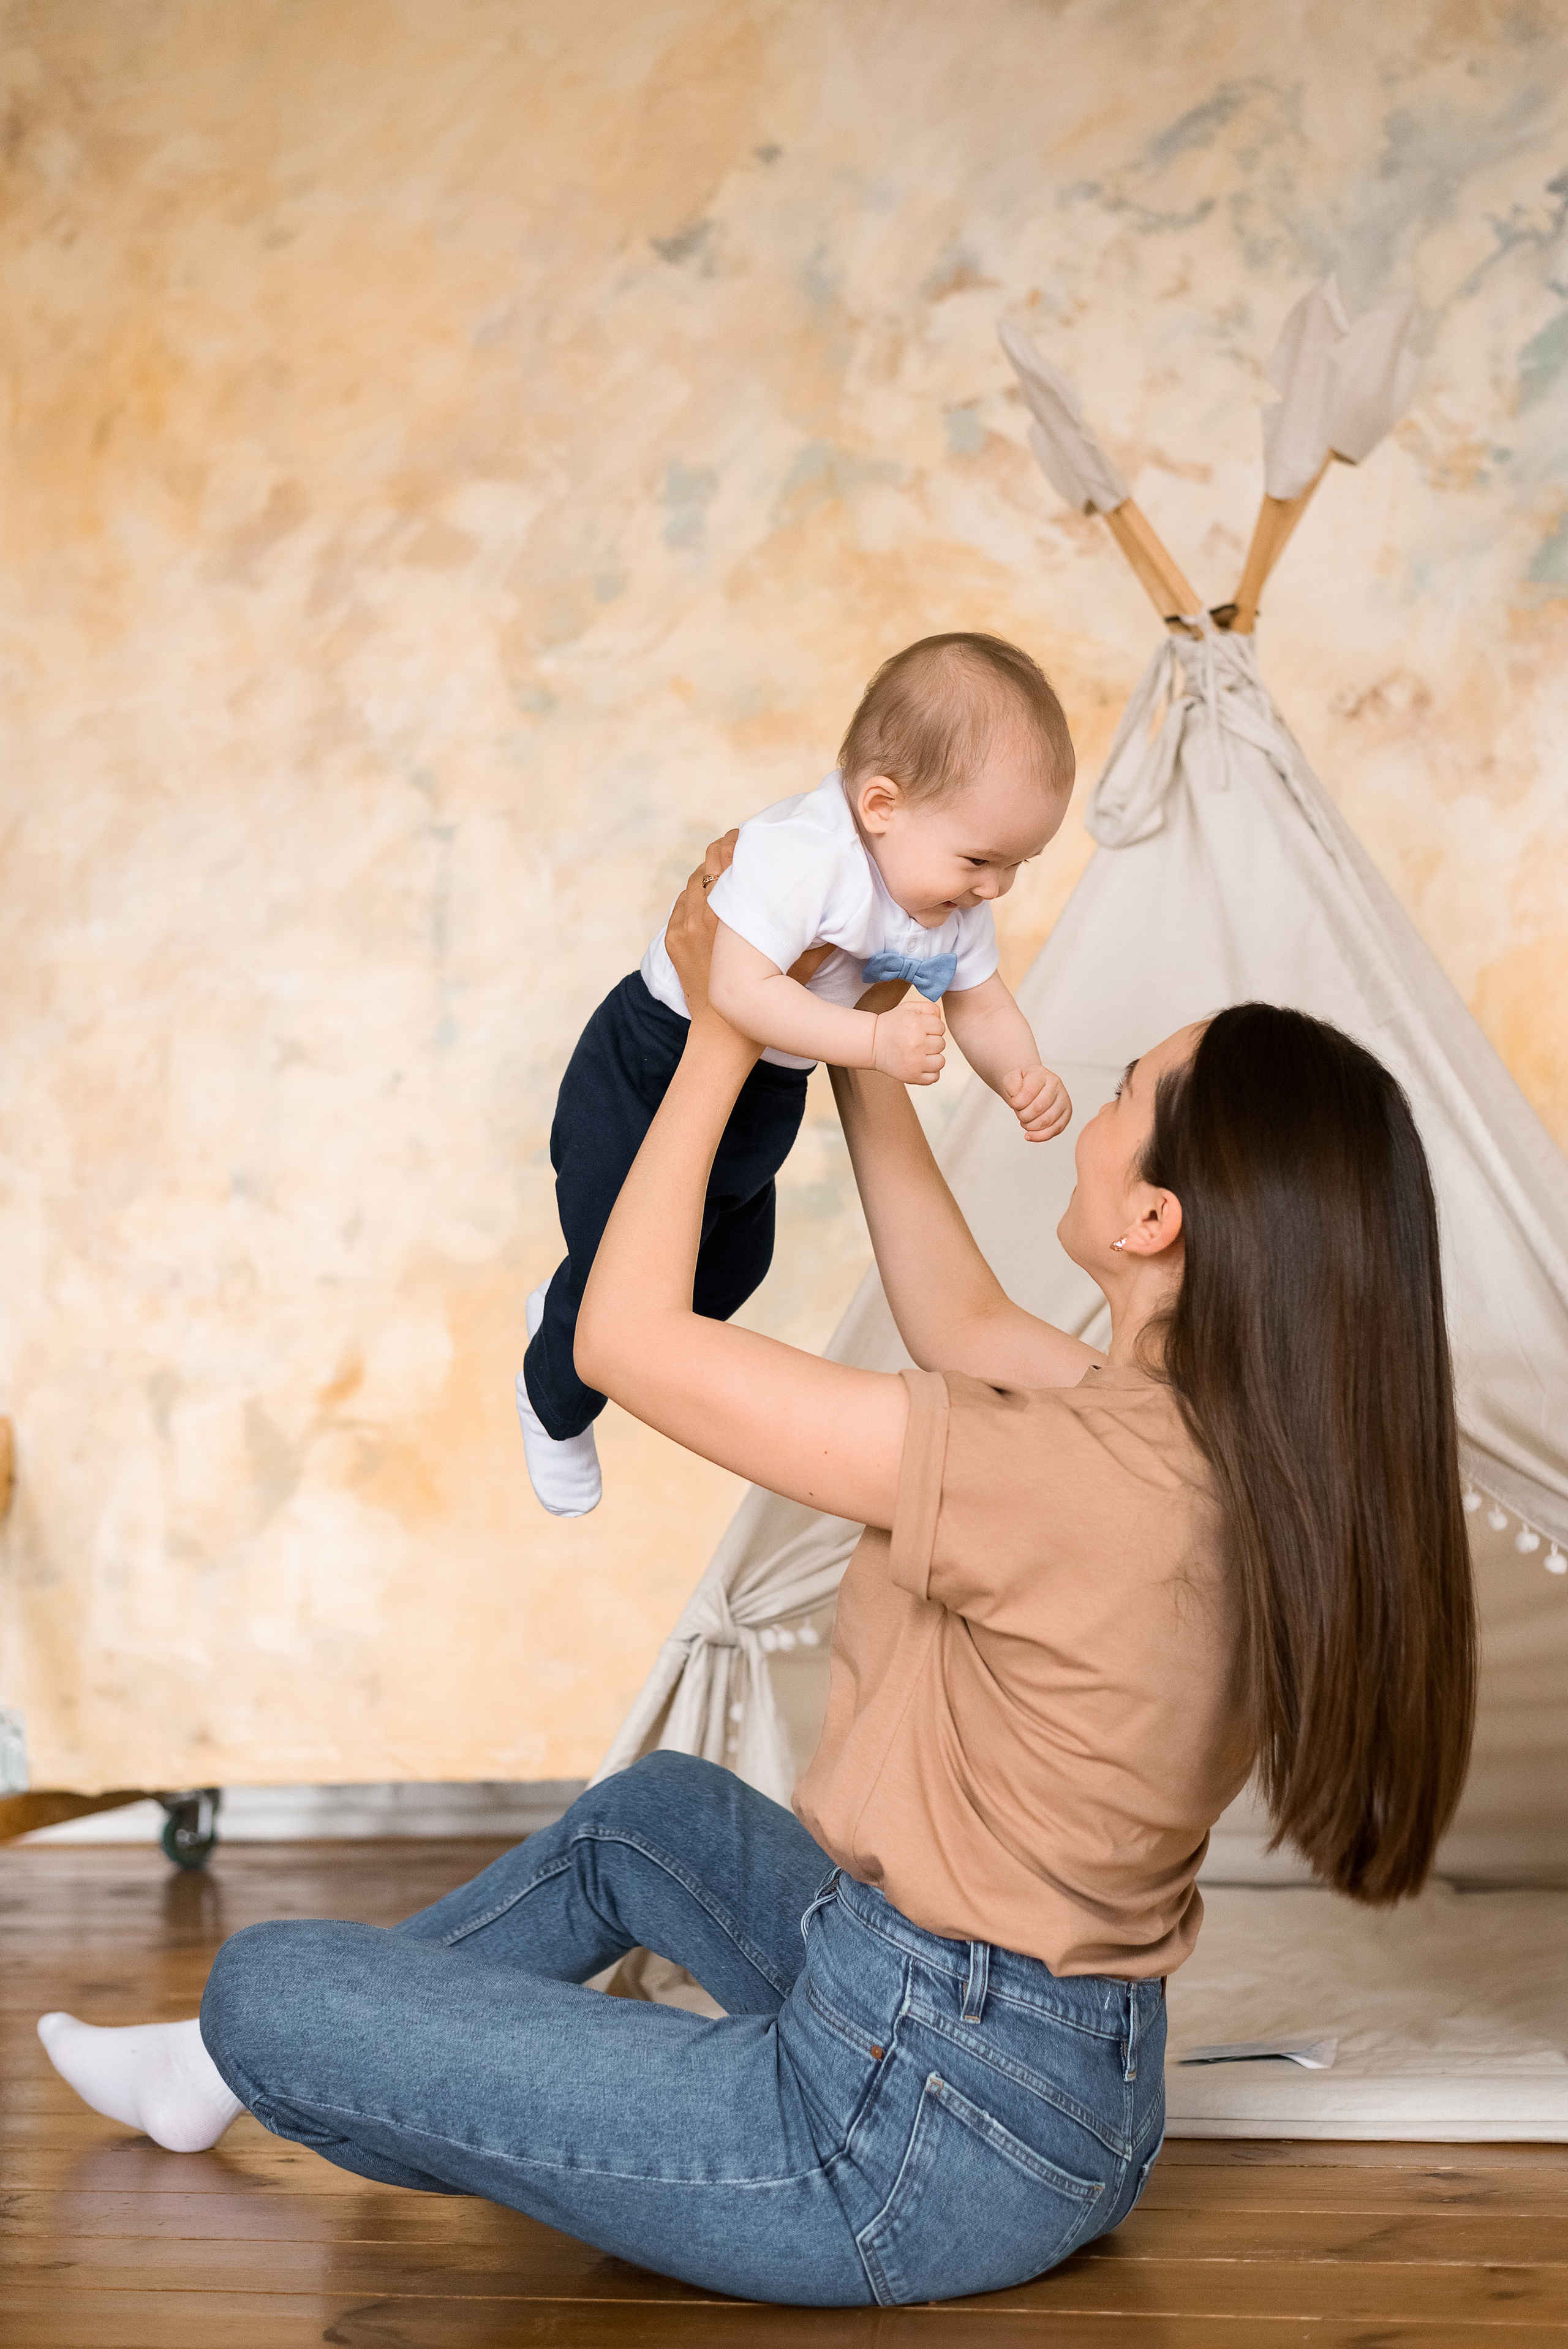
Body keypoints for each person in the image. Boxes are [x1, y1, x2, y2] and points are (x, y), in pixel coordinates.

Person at [37, 841, 1477, 2309]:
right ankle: (213, 2078)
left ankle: (235, 2054)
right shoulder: (1217, 1443)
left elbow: (624, 1344)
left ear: (1149, 1221)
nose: (1089, 1108)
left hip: (890, 2141)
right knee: (648, 1820)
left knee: (269, 1989)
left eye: (1119, 1097)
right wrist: (849, 1014)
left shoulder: (1062, 1472)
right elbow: (954, 1313)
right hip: (1065, 2094)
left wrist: (728, 1025)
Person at [515, 630, 1076, 1518]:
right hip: (653, 1060)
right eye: (982, 860)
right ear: (882, 803)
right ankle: (553, 1395)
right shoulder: (805, 856)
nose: (996, 888)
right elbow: (734, 989)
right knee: (614, 1257)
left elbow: (980, 1000)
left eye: (1018, 865)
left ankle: (568, 1299)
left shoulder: (945, 894)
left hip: (767, 1092)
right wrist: (871, 1045)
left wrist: (1022, 1072)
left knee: (736, 1259)